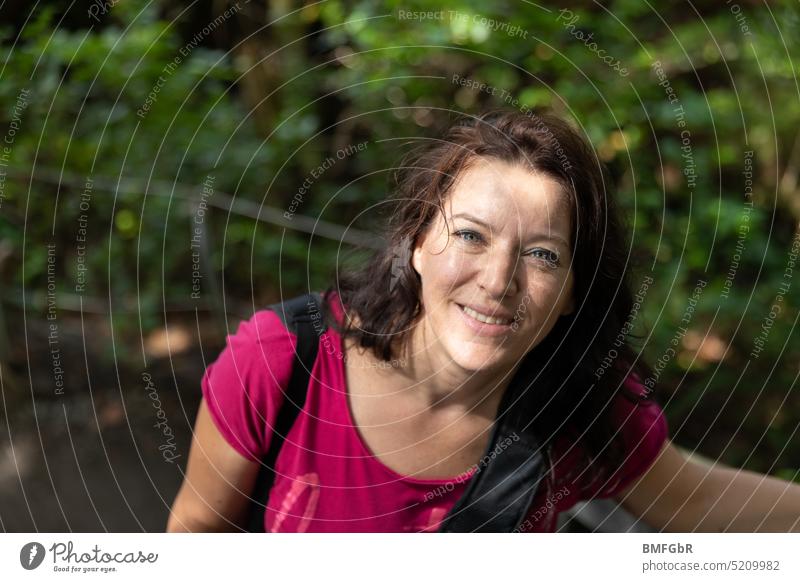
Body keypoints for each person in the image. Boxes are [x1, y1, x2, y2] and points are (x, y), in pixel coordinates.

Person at [167, 109, 800, 533]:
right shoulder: (283, 362)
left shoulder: (580, 411)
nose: (498, 282)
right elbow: (195, 535)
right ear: (416, 241)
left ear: (575, 291)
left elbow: (705, 502)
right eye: (471, 235)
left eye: (542, 254)